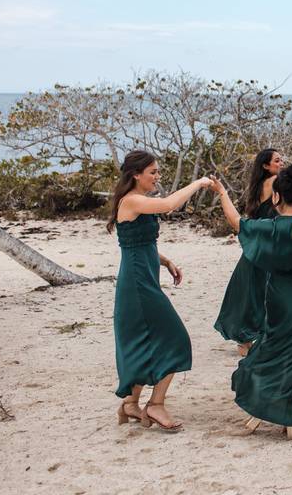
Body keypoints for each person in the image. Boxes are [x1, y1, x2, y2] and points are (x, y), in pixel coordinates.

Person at [212, 165, 292, 440]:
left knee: (273, 349)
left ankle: (277, 409)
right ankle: (291, 412)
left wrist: (222, 192)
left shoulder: (273, 227)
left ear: (277, 197)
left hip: (283, 296)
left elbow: (238, 224)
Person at [107, 150, 212, 433]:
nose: (157, 176)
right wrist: (199, 183)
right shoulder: (132, 200)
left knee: (145, 340)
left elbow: (137, 243)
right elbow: (167, 205)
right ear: (135, 175)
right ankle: (155, 405)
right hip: (138, 286)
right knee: (176, 338)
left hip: (143, 279)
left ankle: (131, 403)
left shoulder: (136, 202)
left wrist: (165, 261)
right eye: (152, 172)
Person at [214, 140, 292, 356]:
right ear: (266, 166)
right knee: (256, 293)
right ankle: (248, 339)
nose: (281, 163)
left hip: (265, 240)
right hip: (269, 241)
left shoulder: (264, 184)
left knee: (254, 293)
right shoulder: (272, 182)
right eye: (277, 161)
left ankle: (251, 338)